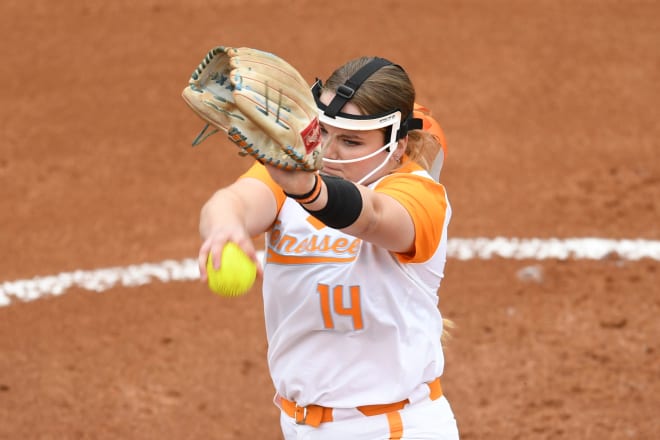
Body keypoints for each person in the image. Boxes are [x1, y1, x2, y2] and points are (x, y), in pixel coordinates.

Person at [197, 55, 459, 439]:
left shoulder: (417, 194)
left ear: (397, 145)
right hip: (300, 425)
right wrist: (224, 225)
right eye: (323, 133)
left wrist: (309, 190)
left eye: (351, 141)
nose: (328, 154)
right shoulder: (295, 173)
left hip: (393, 430)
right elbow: (235, 199)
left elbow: (372, 217)